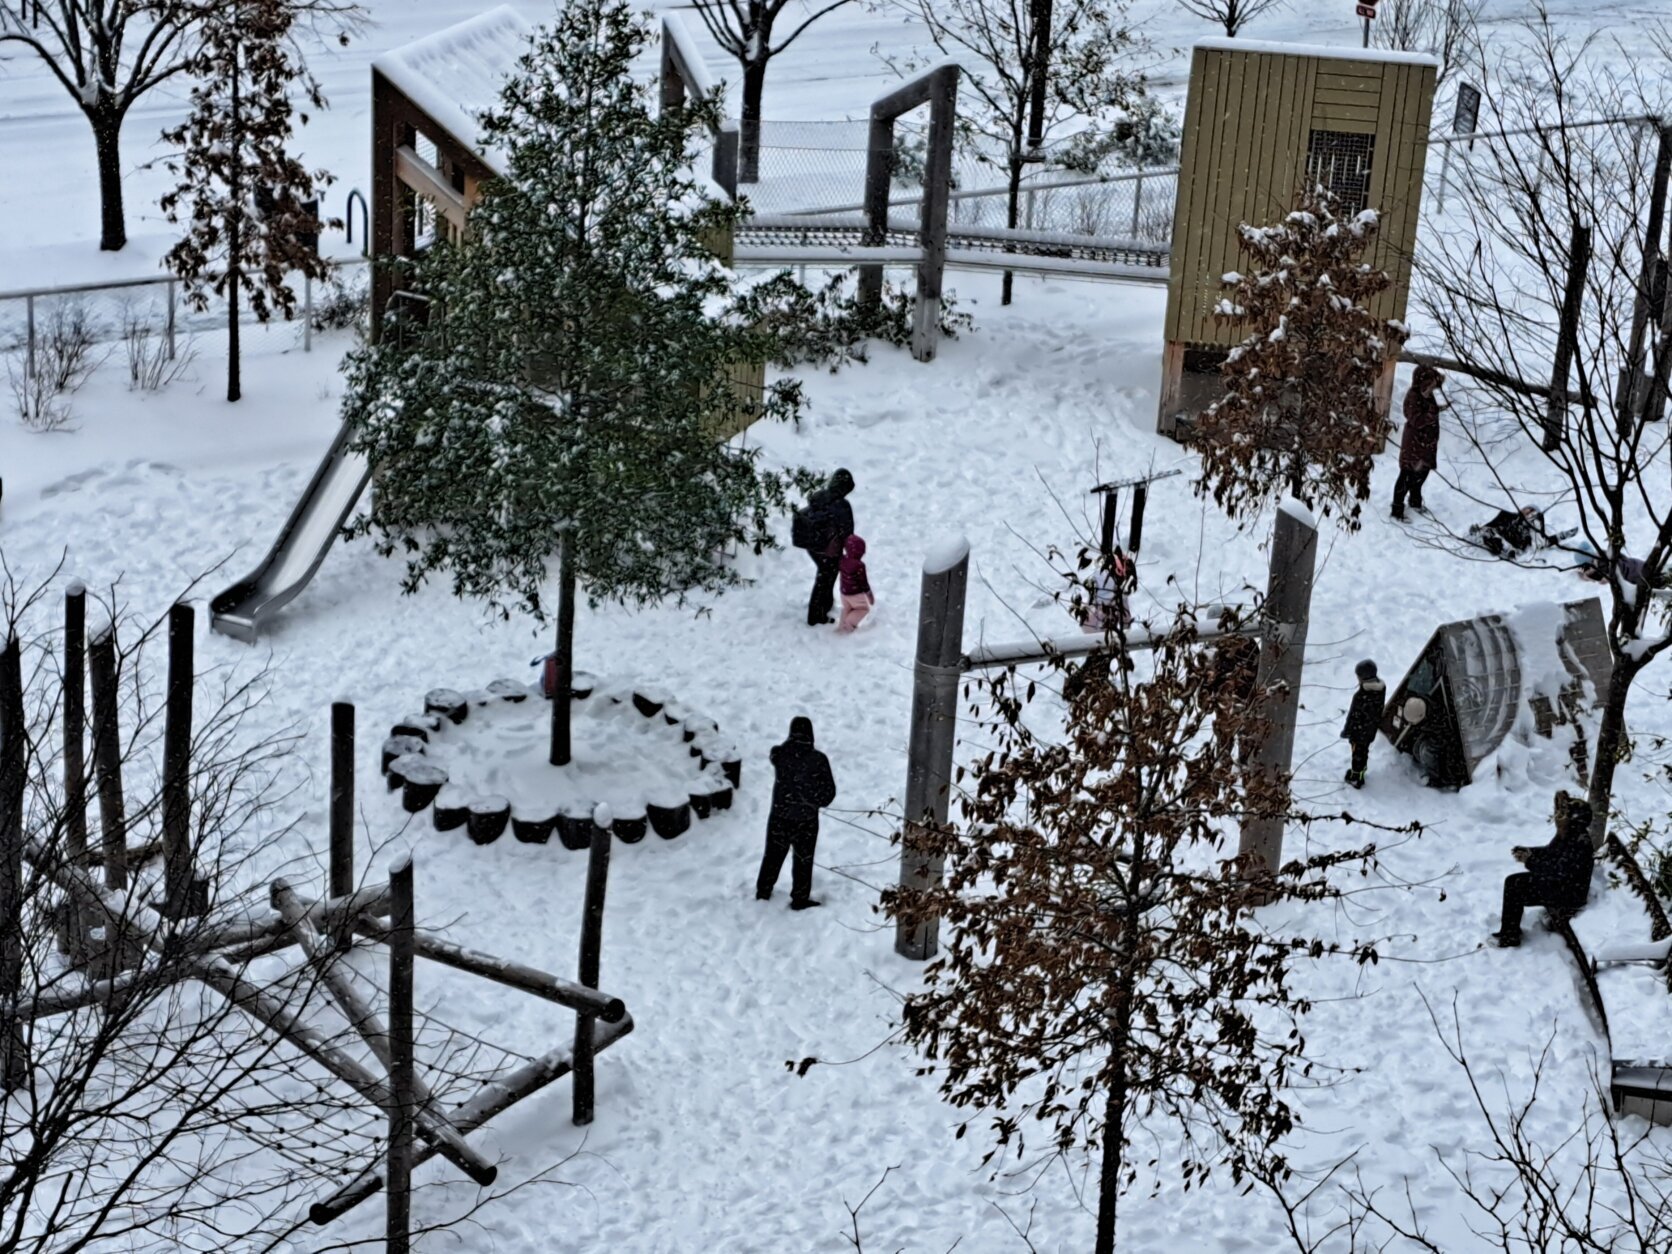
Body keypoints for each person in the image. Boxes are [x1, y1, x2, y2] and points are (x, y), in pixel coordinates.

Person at [1491, 792, 1595, 948]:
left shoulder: (1579, 842)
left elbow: (1558, 871)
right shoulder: (1569, 835)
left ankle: (1509, 937)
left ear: (1573, 820)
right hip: (1563, 886)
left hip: (1569, 893)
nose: (1558, 818)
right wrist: (1530, 852)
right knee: (1514, 882)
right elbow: (1551, 853)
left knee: (1515, 885)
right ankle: (1509, 932)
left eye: (1562, 814)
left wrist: (1530, 860)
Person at [756, 717, 837, 910]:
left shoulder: (780, 754)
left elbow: (775, 753)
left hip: (780, 816)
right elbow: (829, 794)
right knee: (803, 859)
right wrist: (813, 799)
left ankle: (763, 891)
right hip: (806, 819)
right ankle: (800, 898)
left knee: (773, 855)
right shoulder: (818, 759)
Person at [797, 469, 855, 627]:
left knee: (825, 576)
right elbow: (847, 532)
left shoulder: (820, 496)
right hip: (829, 548)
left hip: (814, 545)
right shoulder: (842, 505)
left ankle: (824, 606)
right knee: (825, 579)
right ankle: (816, 616)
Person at [1393, 365, 1444, 521]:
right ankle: (1397, 509)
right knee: (1407, 475)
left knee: (1421, 473)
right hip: (1414, 443)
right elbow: (1416, 419)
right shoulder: (1413, 396)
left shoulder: (1427, 395)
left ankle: (1415, 502)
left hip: (1426, 444)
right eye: (1430, 384)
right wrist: (1431, 413)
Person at [1340, 658, 1385, 789]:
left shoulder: (1361, 696)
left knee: (1357, 754)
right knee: (1363, 752)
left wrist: (1347, 732)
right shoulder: (1380, 690)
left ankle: (1356, 777)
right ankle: (1361, 772)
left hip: (1359, 732)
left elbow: (1353, 716)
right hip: (1370, 730)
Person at [1468, 504, 1552, 558]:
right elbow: (1495, 523)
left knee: (1499, 541)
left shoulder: (1532, 527)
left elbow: (1541, 538)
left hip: (1512, 545)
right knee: (1501, 518)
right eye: (1526, 509)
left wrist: (1540, 518)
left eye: (1530, 511)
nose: (1526, 511)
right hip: (1498, 534)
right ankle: (1482, 534)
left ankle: (1497, 544)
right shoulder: (1509, 516)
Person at [837, 535, 874, 633]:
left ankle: (841, 626)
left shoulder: (842, 560)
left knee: (847, 608)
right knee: (862, 609)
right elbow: (863, 582)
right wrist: (869, 594)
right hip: (855, 593)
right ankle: (849, 625)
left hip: (844, 592)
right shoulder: (859, 565)